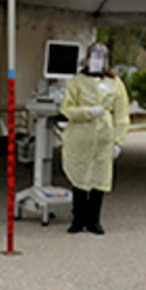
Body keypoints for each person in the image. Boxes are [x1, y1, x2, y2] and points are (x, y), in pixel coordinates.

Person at [58, 42, 131, 234]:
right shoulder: (77, 82)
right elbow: (67, 109)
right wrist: (87, 112)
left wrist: (118, 141)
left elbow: (122, 114)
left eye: (102, 57)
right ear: (88, 58)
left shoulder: (116, 84)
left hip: (103, 139)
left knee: (99, 180)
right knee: (79, 179)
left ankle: (94, 221)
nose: (98, 60)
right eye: (94, 56)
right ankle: (77, 220)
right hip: (80, 137)